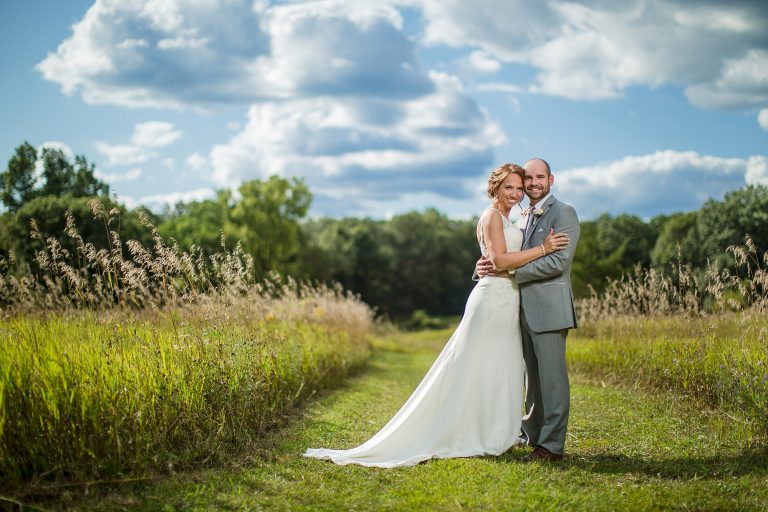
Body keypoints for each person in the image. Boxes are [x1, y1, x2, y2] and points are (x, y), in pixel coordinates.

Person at [303, 163, 570, 467]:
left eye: (519, 188)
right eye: (509, 187)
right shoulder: (491, 215)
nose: (515, 193)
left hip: (508, 301)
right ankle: (468, 433)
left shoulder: (515, 216)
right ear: (494, 187)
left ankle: (499, 433)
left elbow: (494, 259)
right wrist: (543, 249)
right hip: (492, 301)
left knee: (502, 368)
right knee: (473, 367)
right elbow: (497, 259)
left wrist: (488, 266)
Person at [476, 157, 580, 462]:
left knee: (551, 380)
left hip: (549, 309)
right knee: (531, 380)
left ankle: (551, 446)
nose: (532, 184)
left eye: (538, 178)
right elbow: (505, 255)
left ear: (551, 179)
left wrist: (510, 273)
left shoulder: (564, 213)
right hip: (518, 308)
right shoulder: (522, 215)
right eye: (527, 180)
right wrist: (484, 265)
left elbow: (558, 262)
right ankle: (532, 436)